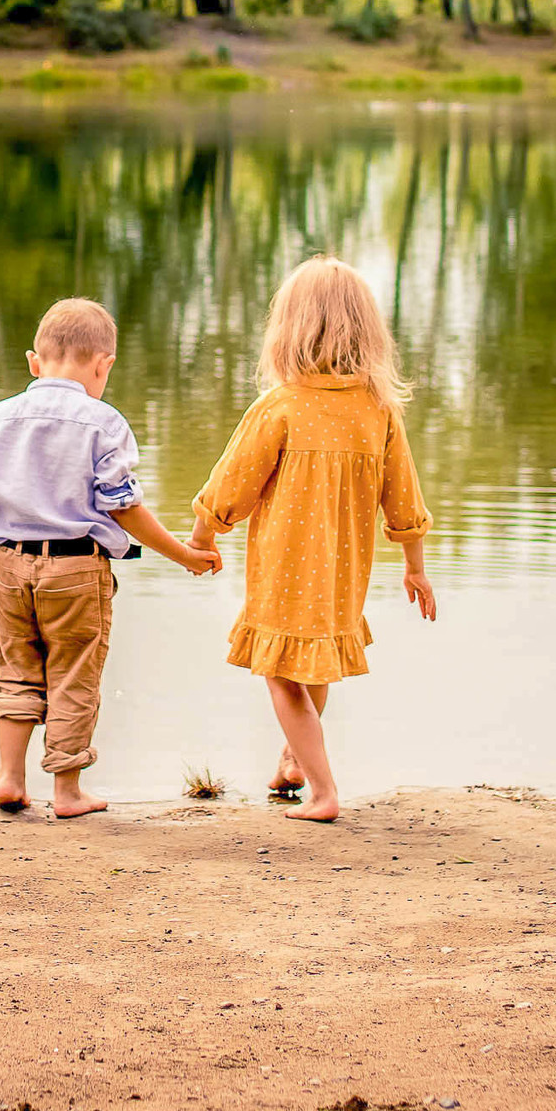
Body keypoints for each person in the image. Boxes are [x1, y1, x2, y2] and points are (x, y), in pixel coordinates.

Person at [0, 298, 220, 818]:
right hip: (77, 568)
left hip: (8, 565)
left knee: (17, 669)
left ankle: (9, 777)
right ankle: (67, 792)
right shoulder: (104, 424)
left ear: (34, 361)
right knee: (73, 672)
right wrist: (183, 553)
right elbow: (125, 508)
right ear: (104, 364)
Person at [189, 256, 435, 823]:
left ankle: (323, 792)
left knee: (282, 672)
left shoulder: (279, 406)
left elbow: (231, 483)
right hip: (344, 571)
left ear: (289, 329)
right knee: (314, 666)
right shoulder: (378, 411)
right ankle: (292, 764)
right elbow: (405, 499)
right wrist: (415, 567)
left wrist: (203, 537)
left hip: (283, 567)